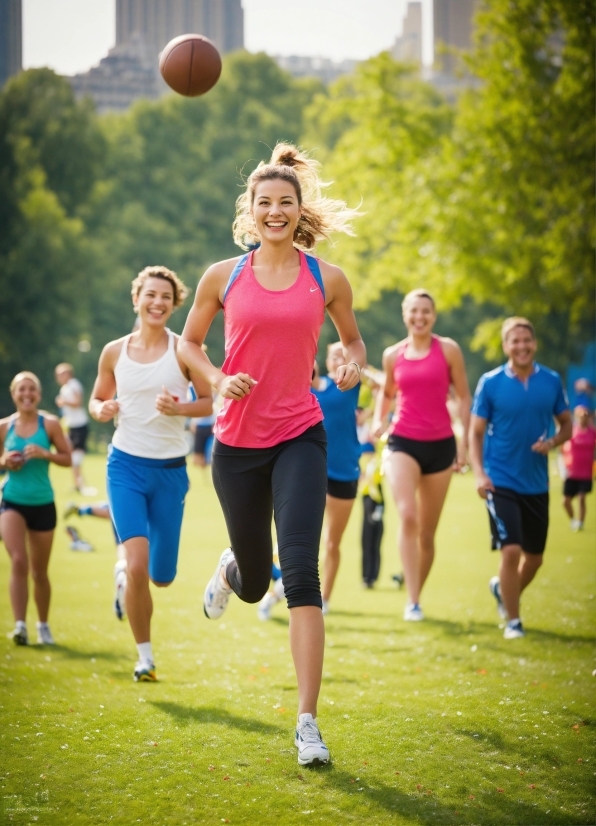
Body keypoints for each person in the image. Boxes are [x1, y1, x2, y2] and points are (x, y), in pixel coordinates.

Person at [178, 143, 365, 766]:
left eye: (286, 202)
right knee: (259, 584)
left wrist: (349, 366)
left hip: (300, 434)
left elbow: (353, 344)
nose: (276, 211)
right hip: (235, 444)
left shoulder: (325, 277)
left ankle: (308, 724)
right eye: (265, 203)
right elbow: (191, 345)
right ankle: (235, 566)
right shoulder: (222, 276)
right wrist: (213, 378)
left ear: (298, 209)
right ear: (250, 211)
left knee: (301, 573)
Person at [89, 266, 212, 682]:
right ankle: (145, 657)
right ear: (136, 298)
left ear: (174, 305)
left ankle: (125, 575)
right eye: (150, 295)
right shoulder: (113, 351)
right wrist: (101, 409)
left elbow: (212, 402)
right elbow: (97, 398)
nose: (157, 303)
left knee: (161, 577)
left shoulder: (185, 351)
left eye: (165, 297)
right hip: (125, 465)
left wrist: (180, 408)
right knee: (138, 564)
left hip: (170, 473)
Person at [469, 317, 572, 639]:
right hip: (500, 480)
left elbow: (567, 425)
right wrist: (479, 474)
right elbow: (475, 433)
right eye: (514, 341)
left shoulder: (552, 381)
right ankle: (514, 621)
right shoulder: (491, 382)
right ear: (505, 346)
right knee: (510, 550)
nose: (522, 346)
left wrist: (553, 442)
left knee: (535, 559)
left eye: (526, 340)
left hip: (536, 483)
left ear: (534, 343)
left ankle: (503, 588)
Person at [372, 289, 471, 621]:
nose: (419, 317)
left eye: (426, 311)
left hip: (441, 445)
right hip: (402, 442)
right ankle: (412, 602)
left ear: (434, 316)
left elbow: (464, 397)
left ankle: (415, 592)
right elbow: (386, 394)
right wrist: (377, 421)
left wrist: (464, 443)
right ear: (405, 315)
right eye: (414, 311)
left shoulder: (449, 350)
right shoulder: (392, 355)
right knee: (408, 516)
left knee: (427, 534)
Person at [0, 372, 71, 645]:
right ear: (13, 394)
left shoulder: (50, 424)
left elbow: (67, 458)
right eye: (21, 390)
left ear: (39, 395)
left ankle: (42, 625)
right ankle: (20, 626)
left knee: (39, 572)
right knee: (18, 560)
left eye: (32, 389)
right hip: (12, 501)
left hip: (43, 503)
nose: (26, 394)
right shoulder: (4, 427)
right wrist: (6, 461)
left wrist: (46, 454)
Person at [55, 363, 91, 493]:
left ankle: (79, 485)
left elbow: (78, 402)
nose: (59, 377)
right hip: (71, 426)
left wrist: (64, 402)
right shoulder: (64, 389)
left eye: (61, 374)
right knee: (71, 456)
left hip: (80, 425)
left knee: (76, 458)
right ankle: (78, 484)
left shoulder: (74, 384)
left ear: (68, 374)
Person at [562, 405, 596, 531]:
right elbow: (563, 449)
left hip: (586, 472)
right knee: (565, 501)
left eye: (585, 416)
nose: (583, 418)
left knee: (582, 497)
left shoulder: (593, 432)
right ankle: (573, 520)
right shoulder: (572, 431)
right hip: (572, 472)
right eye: (581, 416)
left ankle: (580, 523)